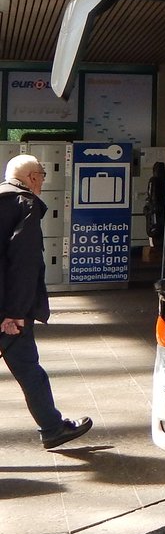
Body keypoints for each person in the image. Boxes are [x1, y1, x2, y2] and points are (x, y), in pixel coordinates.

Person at [1, 154, 94, 449]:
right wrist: (15, 313)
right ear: (31, 178)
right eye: (41, 173)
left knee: (29, 370)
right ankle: (52, 428)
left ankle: (52, 426)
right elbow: (24, 264)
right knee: (29, 370)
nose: (43, 179)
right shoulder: (25, 205)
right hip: (9, 311)